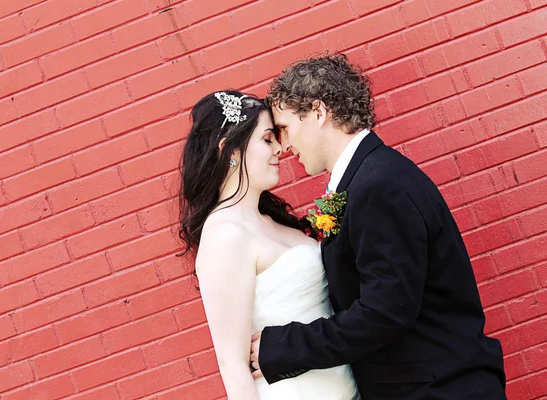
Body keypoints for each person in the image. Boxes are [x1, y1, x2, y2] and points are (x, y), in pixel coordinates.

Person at [249, 54, 507, 399]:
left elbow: (385, 312)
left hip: (439, 390)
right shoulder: (368, 177)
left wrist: (284, 346)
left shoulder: (378, 185)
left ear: (317, 113)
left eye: (284, 128)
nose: (284, 145)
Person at [178, 90, 360, 399]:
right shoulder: (225, 234)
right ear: (231, 151)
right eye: (267, 140)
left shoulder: (270, 220)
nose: (280, 148)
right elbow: (232, 364)